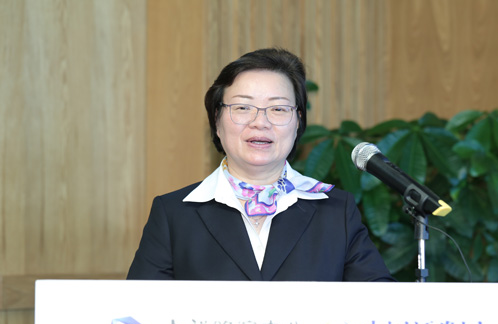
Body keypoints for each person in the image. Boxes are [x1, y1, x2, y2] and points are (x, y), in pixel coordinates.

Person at [127, 48, 394, 282]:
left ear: (298, 122)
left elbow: (382, 307)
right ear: (217, 120)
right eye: (243, 108)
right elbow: (138, 313)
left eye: (278, 109)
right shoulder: (173, 214)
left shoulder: (336, 211)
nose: (260, 122)